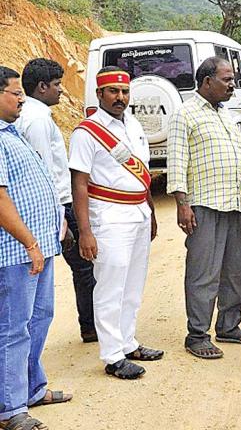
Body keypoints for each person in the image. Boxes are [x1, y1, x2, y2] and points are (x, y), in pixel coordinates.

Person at [69, 66, 163, 379]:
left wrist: (149, 213)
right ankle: (112, 356)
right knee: (110, 286)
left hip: (138, 212)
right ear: (100, 94)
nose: (120, 98)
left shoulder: (133, 124)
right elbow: (79, 183)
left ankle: (128, 341)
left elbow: (143, 175)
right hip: (108, 216)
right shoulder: (87, 132)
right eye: (113, 92)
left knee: (133, 284)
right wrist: (85, 231)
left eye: (124, 92)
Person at [167, 57, 241, 359]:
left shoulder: (226, 114)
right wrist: (183, 205)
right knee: (203, 272)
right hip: (203, 204)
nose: (232, 84)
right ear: (207, 81)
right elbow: (177, 163)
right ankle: (197, 335)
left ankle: (229, 325)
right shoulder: (185, 114)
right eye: (226, 79)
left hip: (232, 203)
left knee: (233, 270)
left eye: (232, 79)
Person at [0, 65, 71, 430]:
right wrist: (29, 242)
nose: (22, 98)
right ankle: (9, 410)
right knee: (14, 328)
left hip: (36, 249)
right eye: (15, 93)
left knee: (39, 318)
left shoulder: (11, 132)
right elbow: (0, 199)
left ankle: (31, 388)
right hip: (16, 253)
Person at [17, 58, 98, 344]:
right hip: (58, 206)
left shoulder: (31, 115)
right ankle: (90, 326)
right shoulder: (37, 119)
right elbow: (43, 172)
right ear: (41, 87)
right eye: (57, 85)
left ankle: (90, 325)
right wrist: (59, 217)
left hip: (57, 206)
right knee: (84, 265)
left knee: (82, 267)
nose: (62, 90)